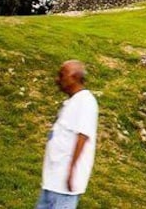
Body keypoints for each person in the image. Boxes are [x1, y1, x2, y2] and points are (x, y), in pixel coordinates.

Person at [36, 60, 99, 209]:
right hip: (52, 181)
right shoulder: (72, 102)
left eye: (62, 75)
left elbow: (83, 136)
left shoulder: (86, 101)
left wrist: (72, 171)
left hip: (64, 186)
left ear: (75, 77)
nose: (57, 79)